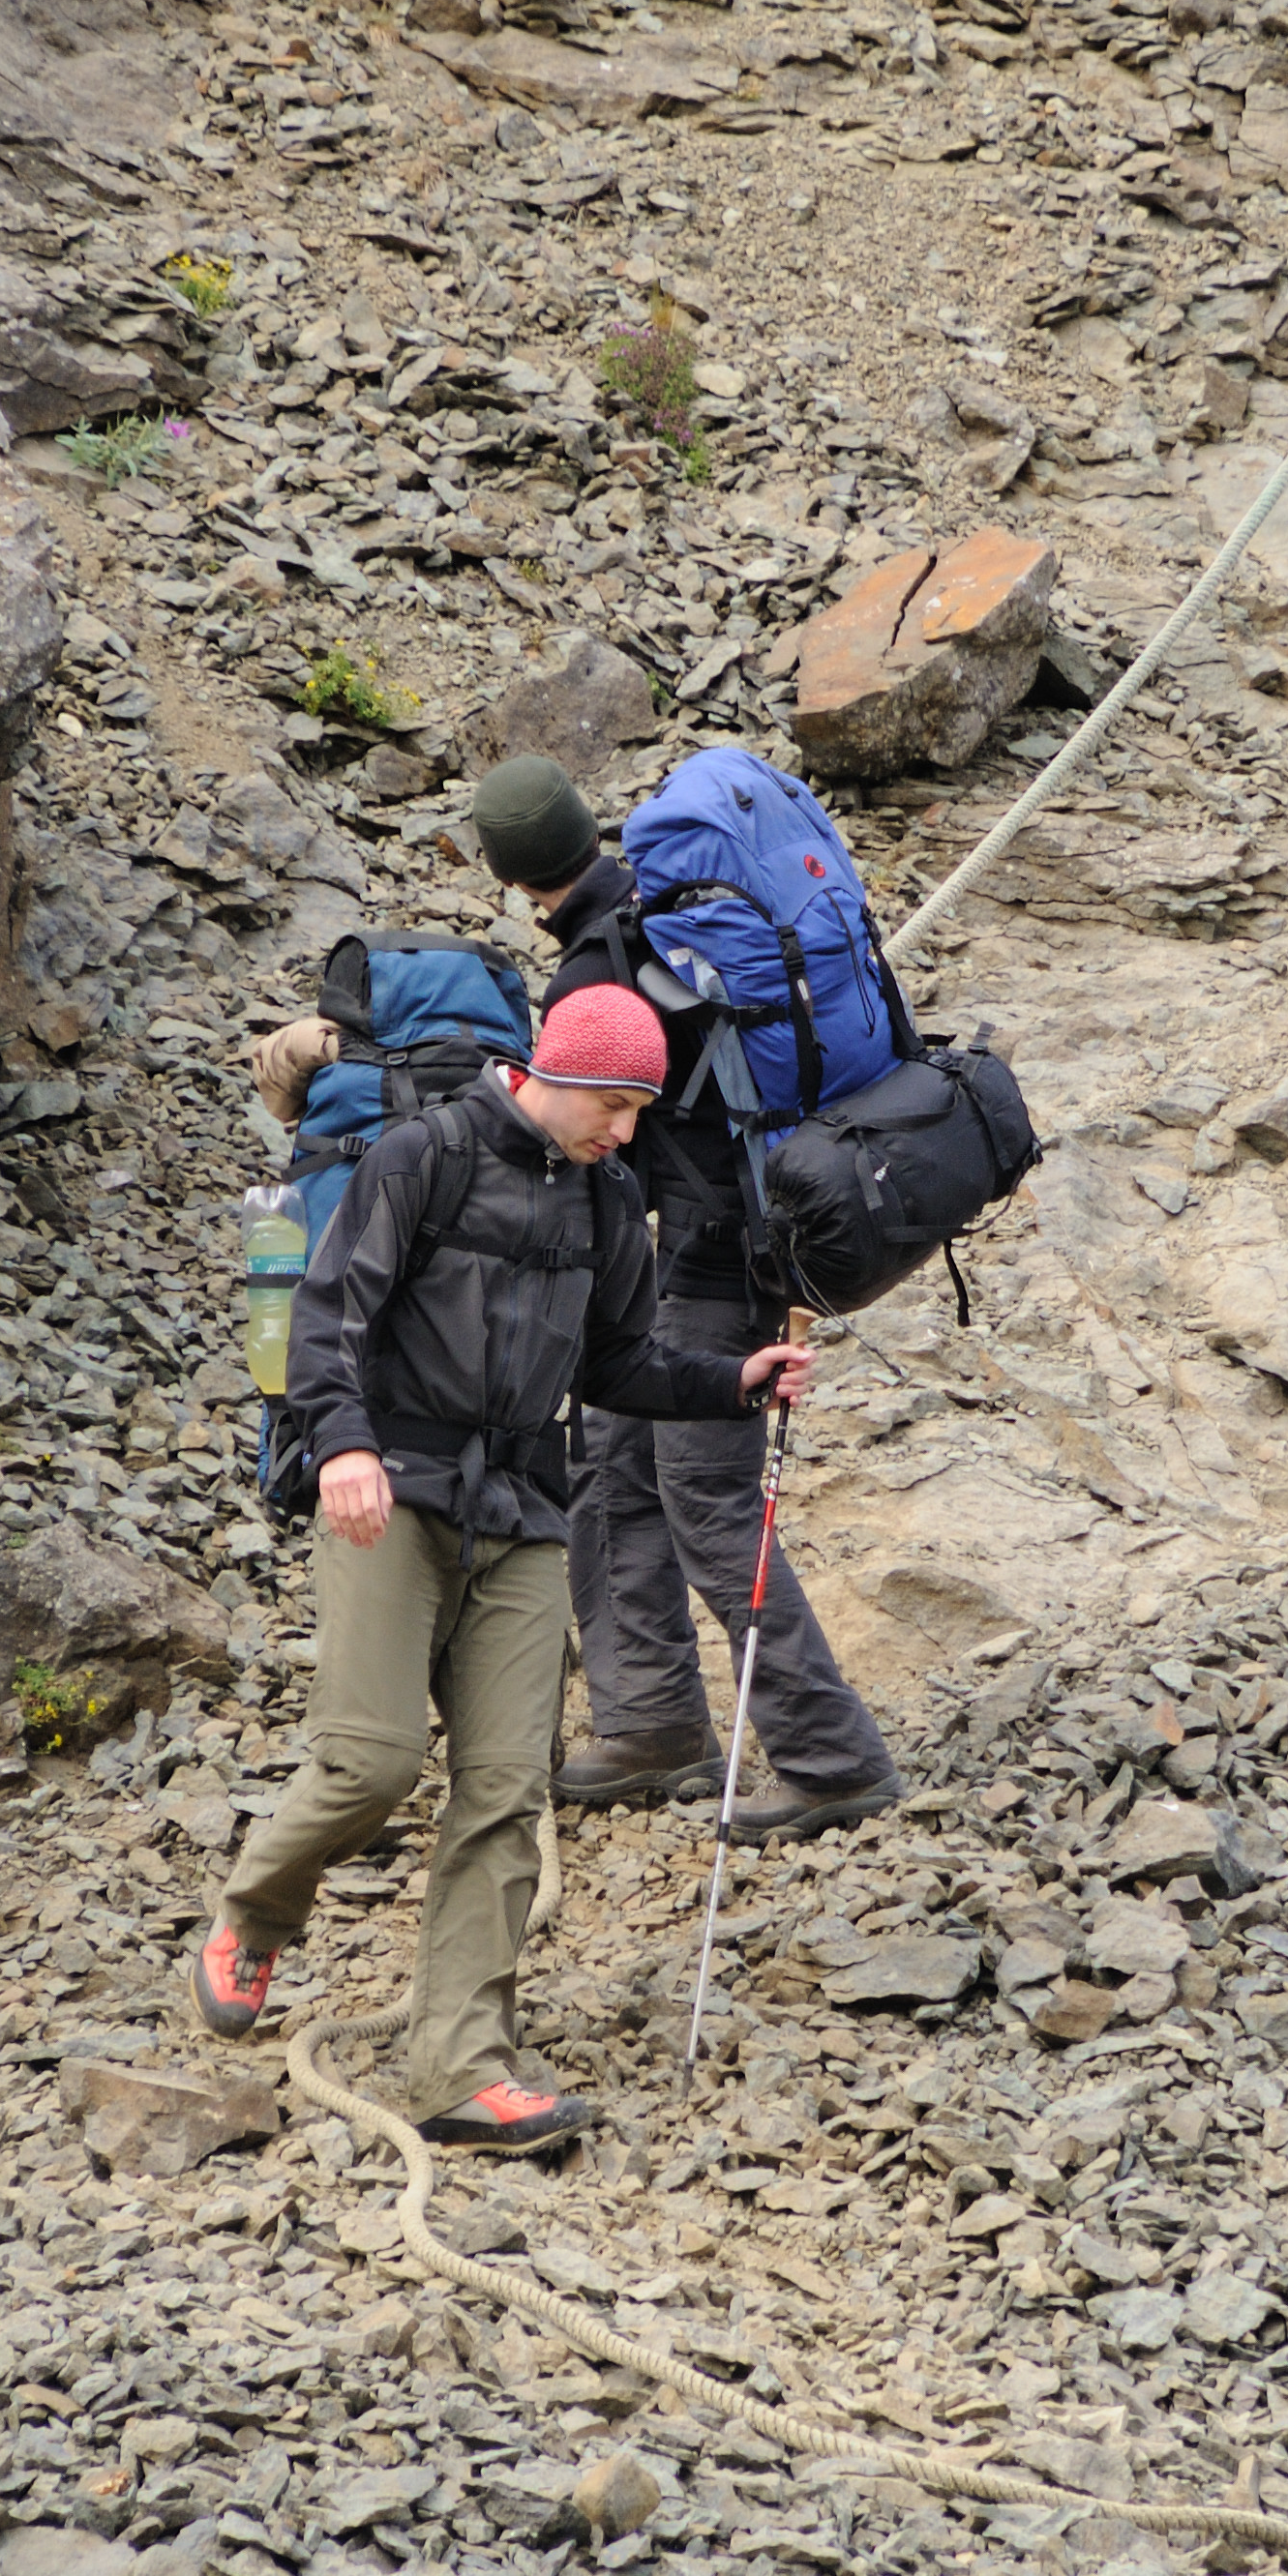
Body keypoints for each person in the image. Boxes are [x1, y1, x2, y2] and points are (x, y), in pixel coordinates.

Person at [191, 985, 809, 2152]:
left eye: (640, 1109)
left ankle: (460, 2070)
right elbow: (328, 1317)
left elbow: (618, 1364)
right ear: (553, 1072)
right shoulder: (421, 1157)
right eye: (614, 1104)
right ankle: (255, 1915)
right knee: (370, 1762)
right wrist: (345, 1445)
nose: (626, 1129)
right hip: (390, 1495)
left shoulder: (608, 1197)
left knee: (506, 1792)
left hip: (523, 1514)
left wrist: (731, 1382)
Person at [468, 753, 907, 1846]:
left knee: (706, 1494)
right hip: (716, 1240)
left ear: (511, 877)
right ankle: (651, 1722)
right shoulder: (678, 912)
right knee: (612, 1462)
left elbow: (576, 1148)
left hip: (711, 1256)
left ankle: (832, 1759)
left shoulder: (596, 974)